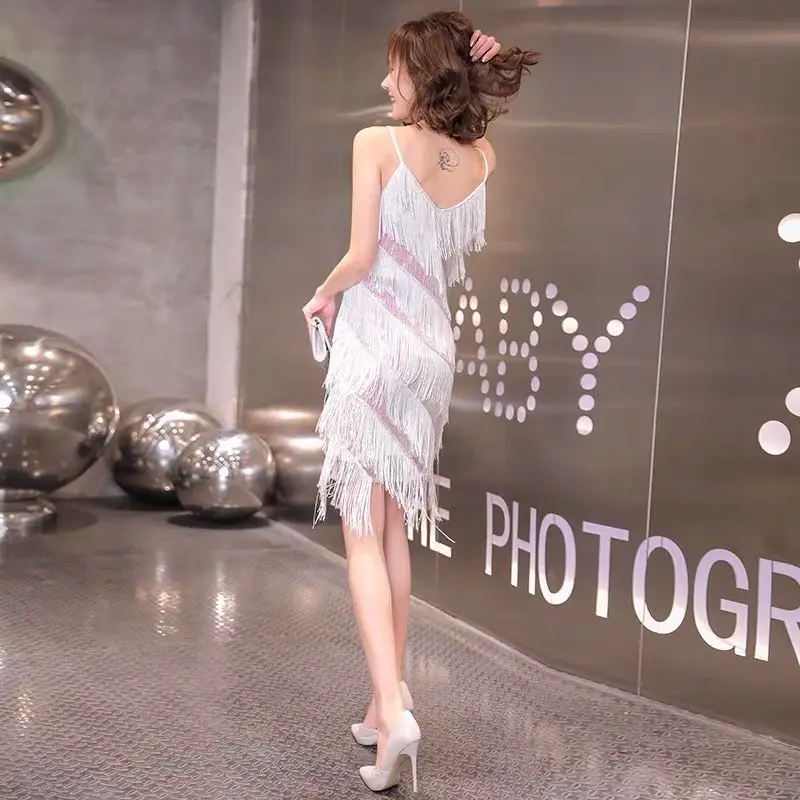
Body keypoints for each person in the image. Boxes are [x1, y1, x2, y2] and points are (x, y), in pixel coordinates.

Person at [302, 11, 538, 793]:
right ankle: (383, 705)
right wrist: (476, 59)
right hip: (431, 351)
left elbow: (361, 256)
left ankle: (398, 711)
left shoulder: (375, 143)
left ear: (423, 74)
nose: (384, 82)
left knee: (362, 537)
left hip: (375, 346)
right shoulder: (482, 157)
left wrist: (321, 294)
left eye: (395, 69)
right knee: (395, 528)